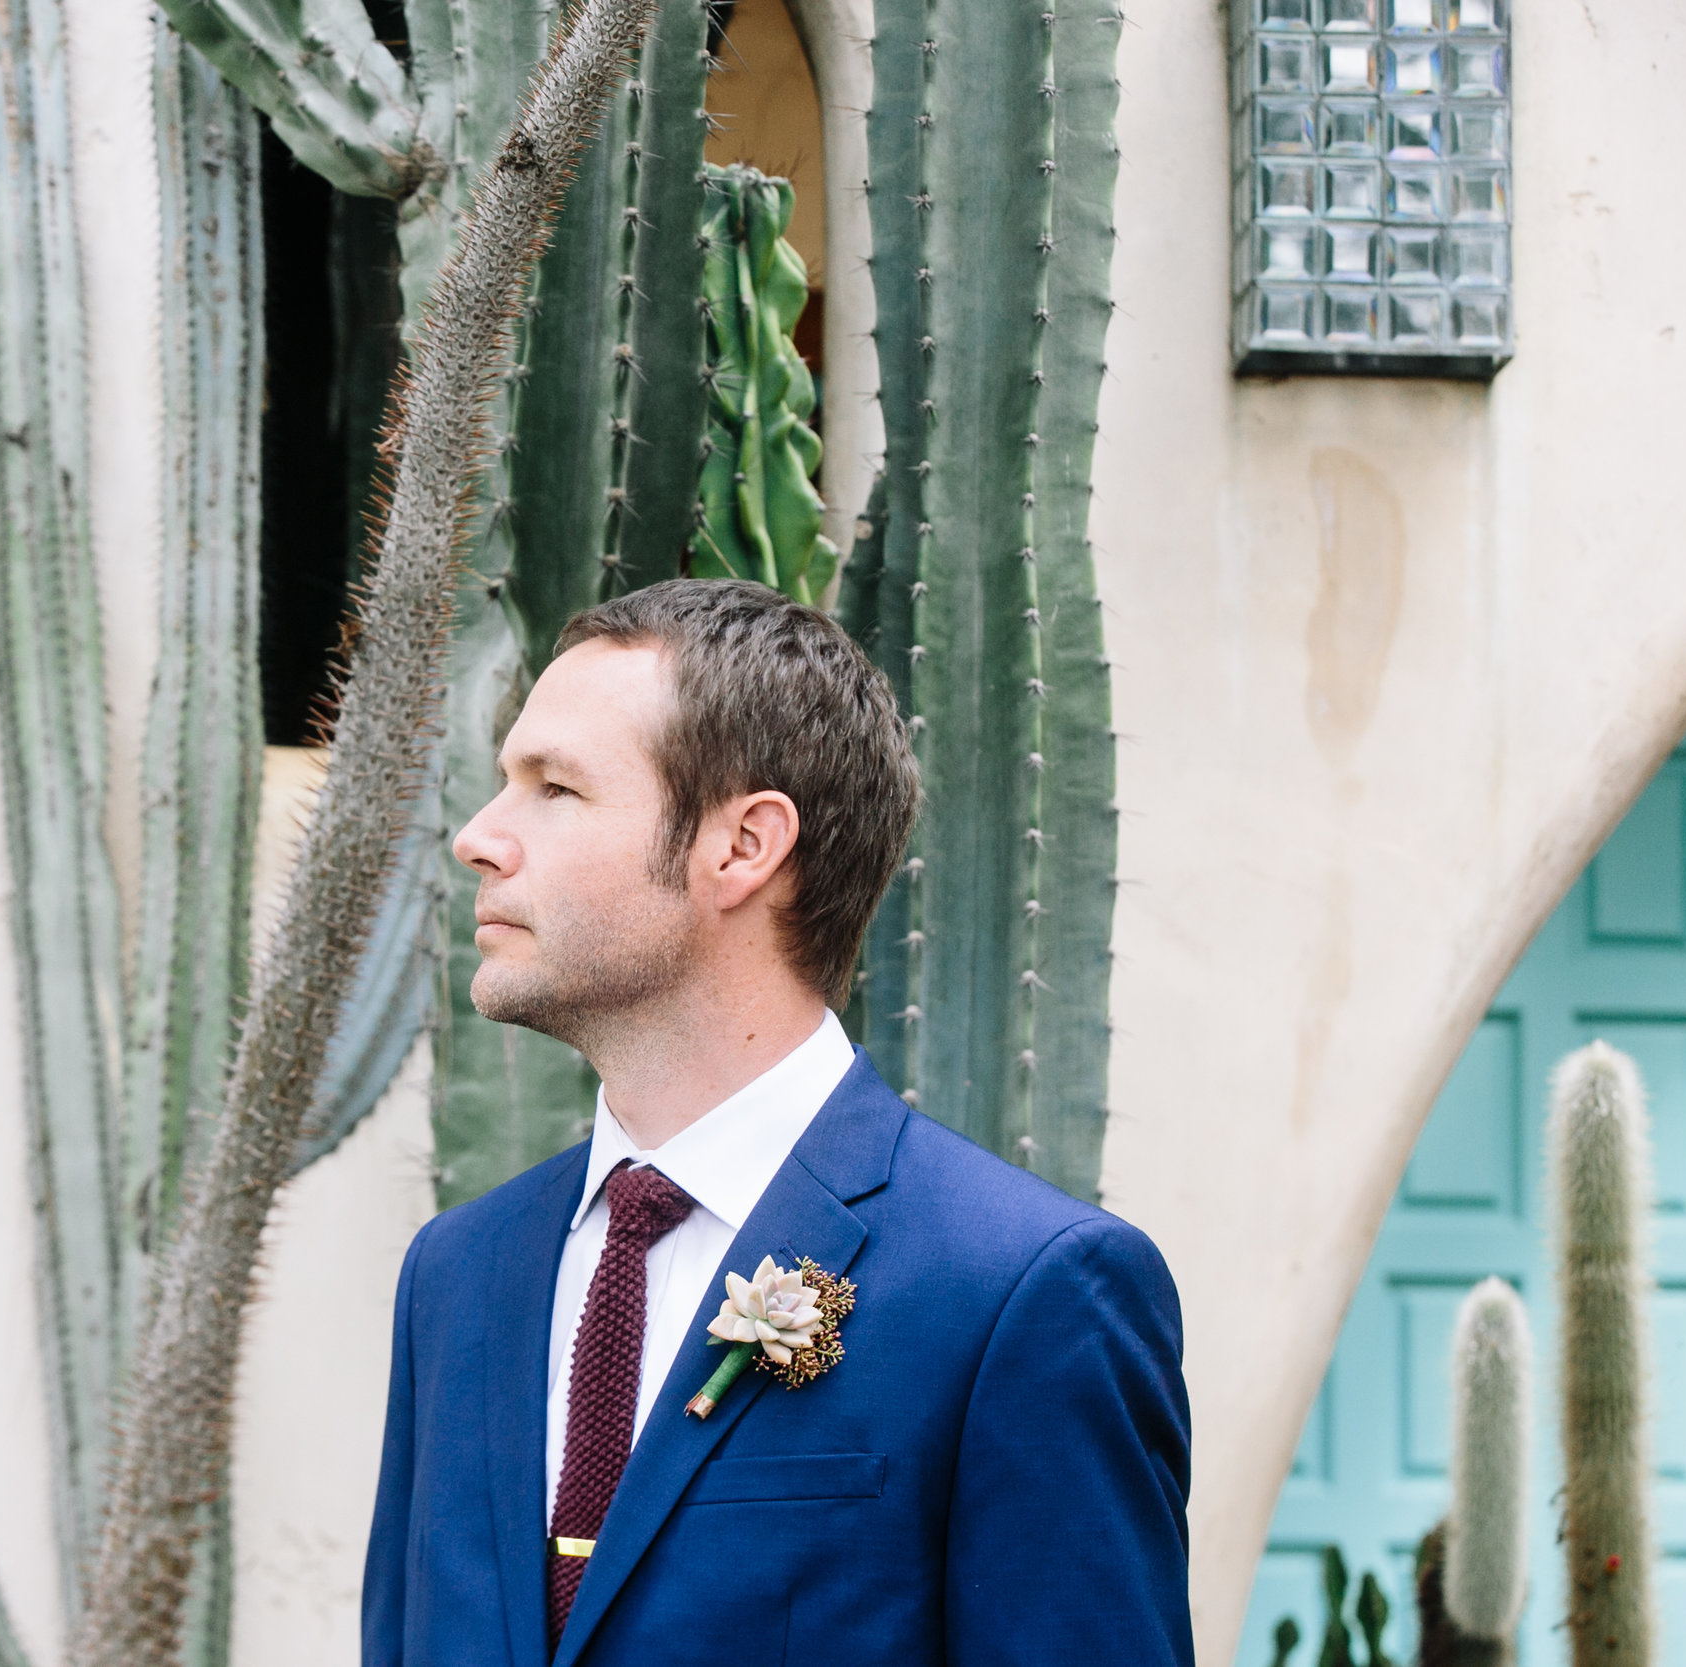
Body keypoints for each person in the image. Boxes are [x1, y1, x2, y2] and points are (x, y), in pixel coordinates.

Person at [361, 579, 1191, 1666]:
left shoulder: (1022, 1292)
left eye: (555, 787)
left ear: (743, 845)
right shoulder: (456, 1275)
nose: (479, 836)